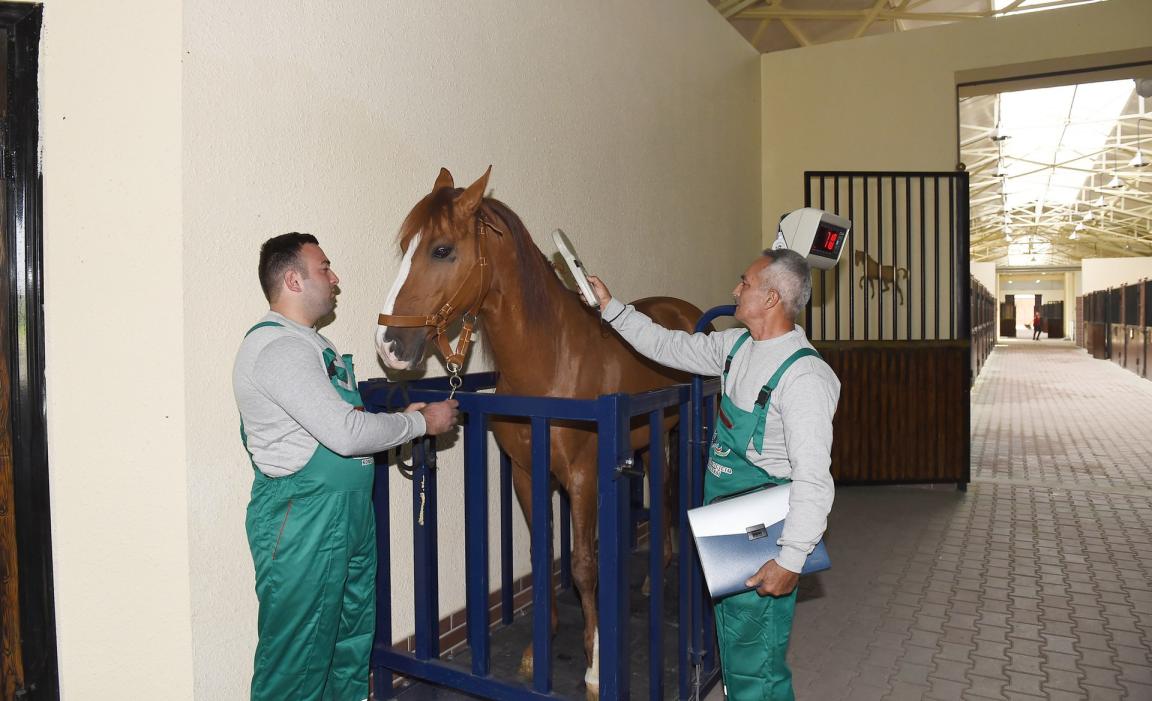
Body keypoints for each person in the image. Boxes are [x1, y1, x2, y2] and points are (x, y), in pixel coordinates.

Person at [587, 249, 840, 701]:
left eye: (744, 283)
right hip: (729, 531)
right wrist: (611, 308)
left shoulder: (804, 377)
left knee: (758, 668)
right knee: (737, 652)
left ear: (771, 298)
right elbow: (669, 345)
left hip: (765, 541)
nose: (734, 290)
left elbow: (814, 481)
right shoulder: (737, 347)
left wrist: (791, 559)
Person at [233, 232, 459, 701]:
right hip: (304, 521)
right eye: (324, 269)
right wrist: (418, 423)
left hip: (345, 517)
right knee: (298, 662)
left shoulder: (316, 346)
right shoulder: (281, 351)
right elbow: (345, 435)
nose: (335, 279)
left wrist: (397, 419)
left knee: (347, 646)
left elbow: (345, 421)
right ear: (293, 280)